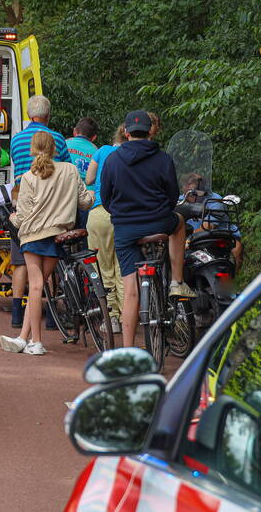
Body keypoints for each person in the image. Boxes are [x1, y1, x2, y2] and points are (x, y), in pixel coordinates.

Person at [101, 110, 193, 348]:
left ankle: (128, 349)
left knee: (130, 291)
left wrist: (122, 216)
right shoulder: (163, 158)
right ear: (150, 131)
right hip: (158, 222)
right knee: (180, 222)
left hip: (125, 229)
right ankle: (176, 280)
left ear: (127, 132)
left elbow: (106, 198)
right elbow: (173, 195)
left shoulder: (112, 159)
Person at [1, 132, 93, 355]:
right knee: (39, 285)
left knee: (34, 287)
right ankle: (23, 337)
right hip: (58, 236)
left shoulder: (28, 177)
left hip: (33, 236)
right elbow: (84, 202)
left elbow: (22, 215)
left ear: (32, 149)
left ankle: (36, 342)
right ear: (55, 149)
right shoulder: (70, 170)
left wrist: (12, 219)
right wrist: (91, 194)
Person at [7, 94, 71, 328]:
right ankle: (52, 316)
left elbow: (18, 169)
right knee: (49, 265)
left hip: (23, 201)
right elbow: (64, 167)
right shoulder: (58, 139)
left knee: (20, 262)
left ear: (28, 114)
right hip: (51, 206)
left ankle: (16, 314)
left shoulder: (16, 140)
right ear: (48, 115)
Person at [84, 123, 125, 333]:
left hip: (100, 211)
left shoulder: (102, 151)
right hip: (124, 215)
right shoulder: (131, 154)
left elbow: (89, 178)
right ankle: (129, 316)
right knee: (123, 268)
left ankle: (112, 318)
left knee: (104, 267)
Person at [179, 173, 243, 273]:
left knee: (236, 248)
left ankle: (234, 278)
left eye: (195, 190)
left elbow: (209, 226)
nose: (190, 193)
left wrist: (188, 240)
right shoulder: (179, 200)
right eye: (187, 189)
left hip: (216, 235)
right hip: (188, 238)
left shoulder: (215, 200)